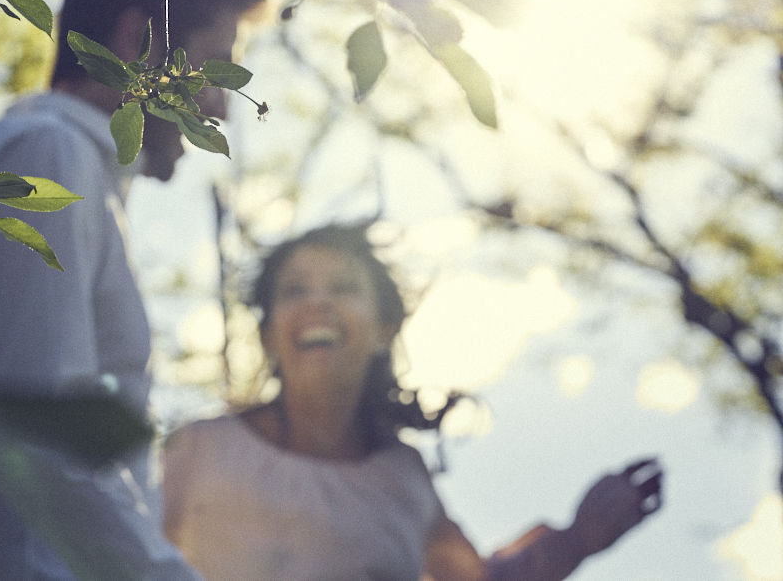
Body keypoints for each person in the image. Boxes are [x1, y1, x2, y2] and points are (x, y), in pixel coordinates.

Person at [0, 0, 263, 581]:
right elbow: (44, 434)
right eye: (213, 64)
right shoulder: (44, 157)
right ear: (139, 42)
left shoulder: (67, 173)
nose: (222, 105)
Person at [163, 224, 663, 581]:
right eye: (295, 290)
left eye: (344, 287)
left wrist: (578, 537)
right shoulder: (200, 450)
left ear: (383, 330)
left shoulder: (404, 479)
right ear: (269, 335)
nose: (318, 302)